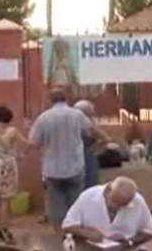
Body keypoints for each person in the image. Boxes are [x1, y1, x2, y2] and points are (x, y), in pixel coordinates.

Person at [28, 89, 102, 230]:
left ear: (50, 100)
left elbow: (34, 143)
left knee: (56, 207)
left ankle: (59, 235)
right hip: (75, 167)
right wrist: (99, 144)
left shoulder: (44, 118)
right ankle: (75, 234)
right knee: (76, 204)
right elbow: (93, 130)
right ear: (65, 99)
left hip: (52, 169)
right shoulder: (77, 115)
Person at [73, 99, 111, 189]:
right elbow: (105, 138)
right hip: (88, 157)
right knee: (90, 184)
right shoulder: (89, 123)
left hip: (74, 157)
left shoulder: (73, 122)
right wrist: (96, 149)